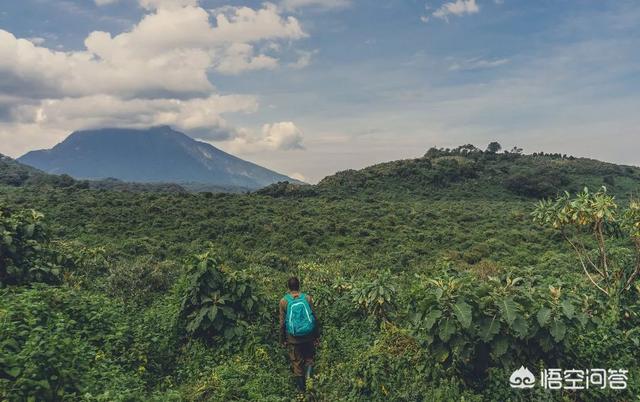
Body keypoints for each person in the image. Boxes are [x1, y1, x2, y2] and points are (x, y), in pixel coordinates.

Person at [279, 276, 320, 392]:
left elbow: (282, 324)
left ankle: (302, 392)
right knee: (309, 359)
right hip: (308, 336)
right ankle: (310, 385)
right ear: (299, 286)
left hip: (293, 338)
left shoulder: (283, 301)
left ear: (288, 287)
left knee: (297, 364)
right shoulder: (307, 298)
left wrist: (282, 340)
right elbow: (314, 318)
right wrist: (316, 336)